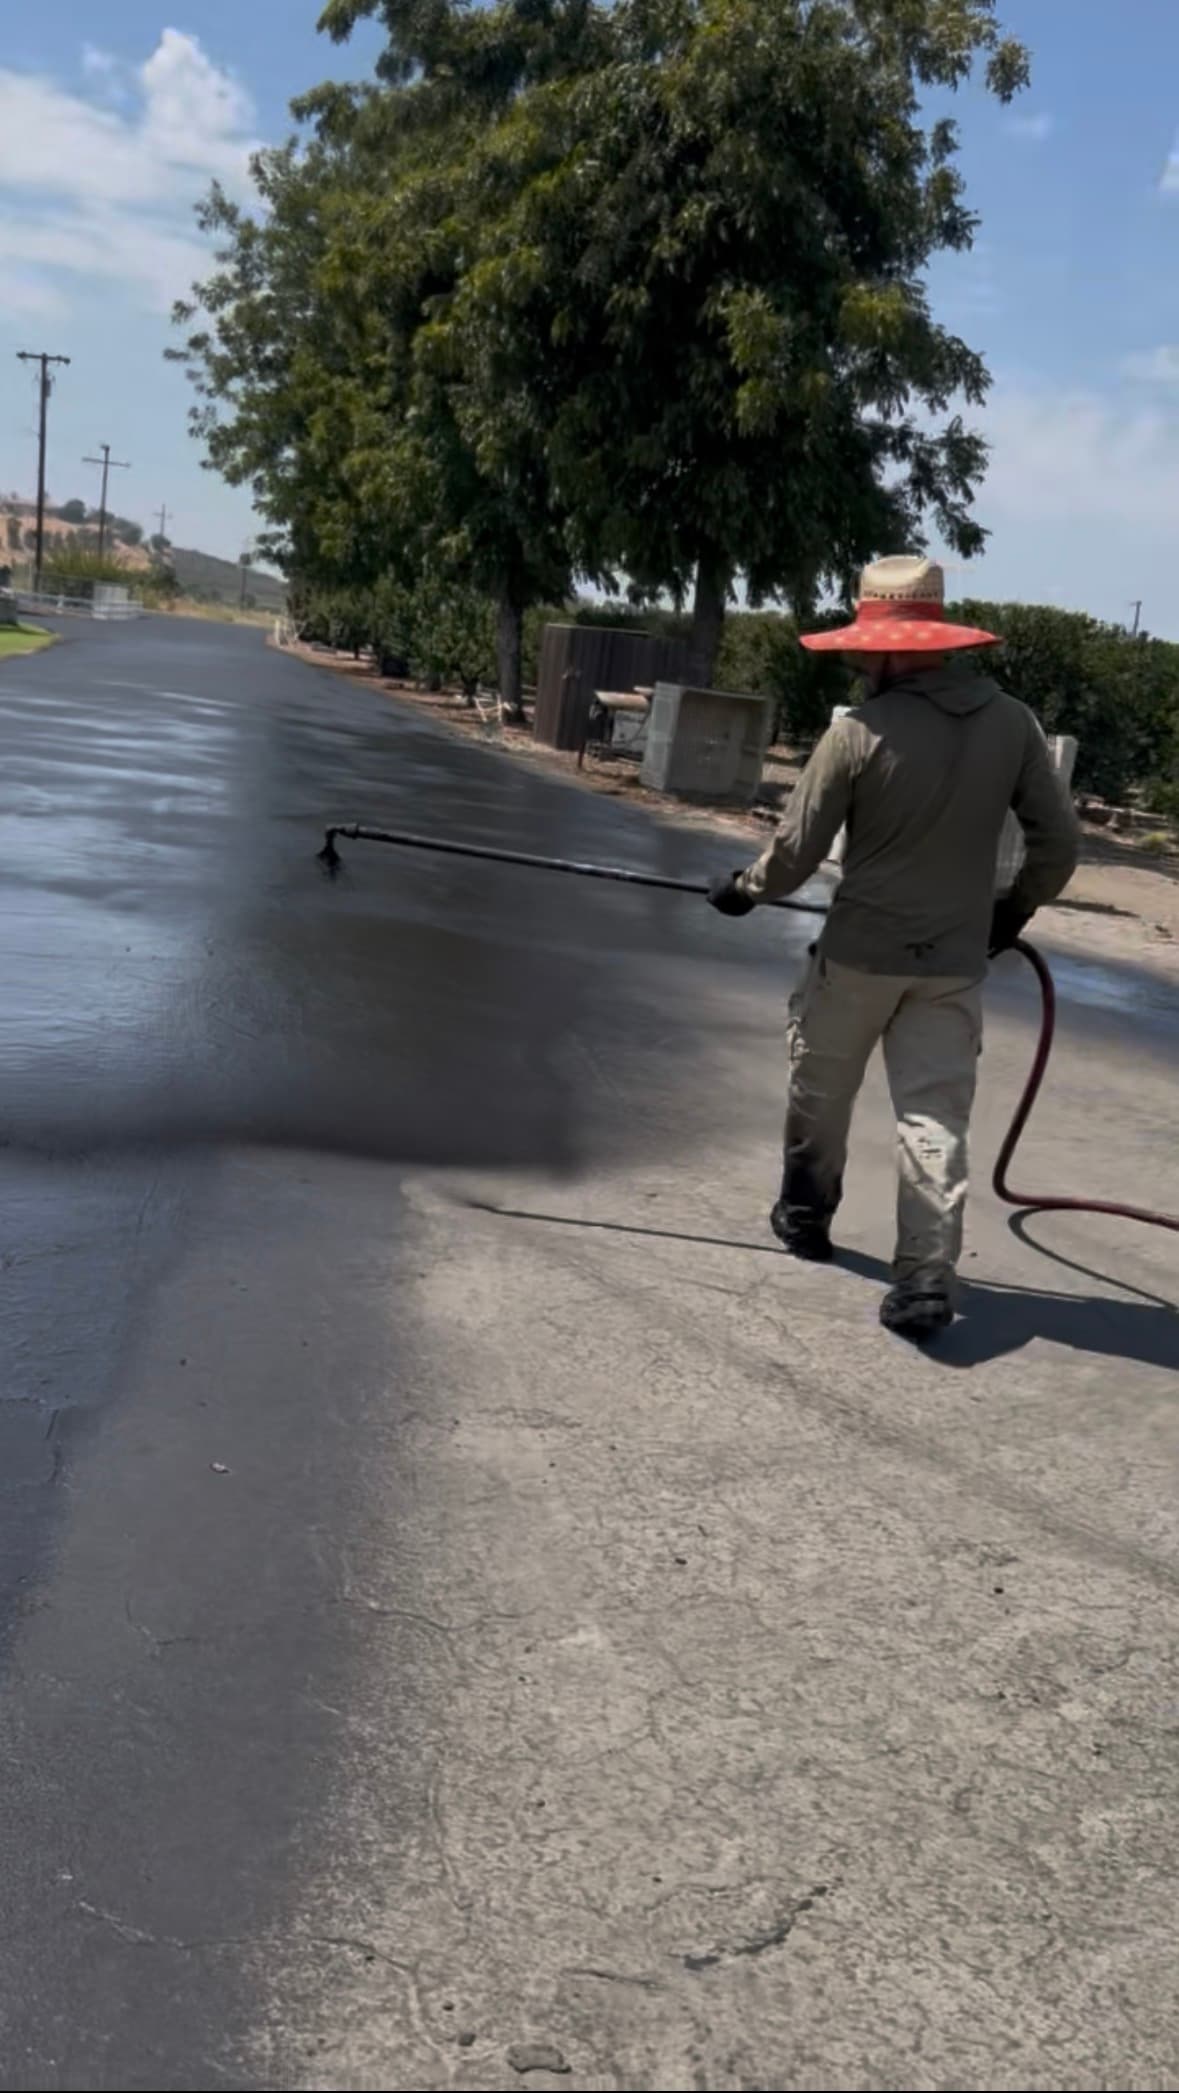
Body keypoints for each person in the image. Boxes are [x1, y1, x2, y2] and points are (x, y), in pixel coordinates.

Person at [708, 555, 1079, 1341]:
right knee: (933, 1119)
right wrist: (1008, 915)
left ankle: (805, 1214)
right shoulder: (1013, 724)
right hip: (950, 963)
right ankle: (923, 1279)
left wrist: (742, 889)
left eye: (862, 648)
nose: (856, 661)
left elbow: (795, 852)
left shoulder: (856, 733)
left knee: (820, 1086)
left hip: (856, 958)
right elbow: (1057, 848)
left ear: (889, 648)